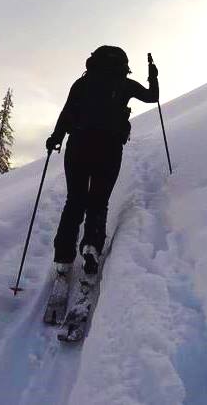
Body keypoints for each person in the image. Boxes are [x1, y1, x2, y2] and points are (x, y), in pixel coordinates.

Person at [46, 46, 159, 276]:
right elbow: (152, 97)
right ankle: (91, 246)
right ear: (122, 65)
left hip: (78, 145)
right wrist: (153, 75)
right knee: (98, 202)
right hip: (109, 149)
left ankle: (63, 257)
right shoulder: (124, 84)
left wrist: (55, 138)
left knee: (74, 200)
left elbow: (67, 113)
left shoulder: (81, 84)